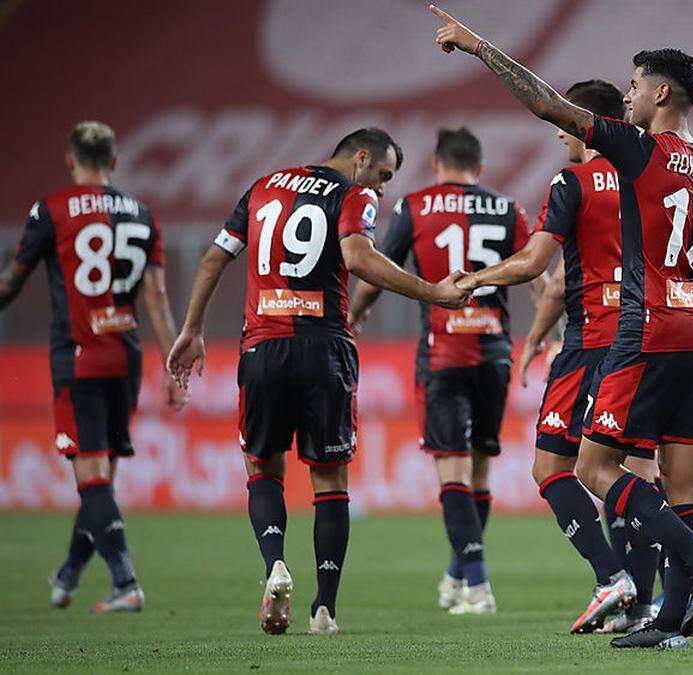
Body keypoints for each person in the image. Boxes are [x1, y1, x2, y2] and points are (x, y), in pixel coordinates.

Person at [431, 5, 693, 650]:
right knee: (683, 481)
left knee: (595, 469)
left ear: (659, 93)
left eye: (632, 84)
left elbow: (549, 106)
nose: (624, 96)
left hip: (645, 327)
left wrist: (482, 48)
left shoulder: (639, 147)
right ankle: (675, 622)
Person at [167, 128, 469, 636]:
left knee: (263, 466)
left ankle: (275, 566)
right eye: (383, 175)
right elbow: (357, 258)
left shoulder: (263, 187)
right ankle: (324, 609)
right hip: (325, 348)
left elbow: (215, 257)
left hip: (263, 345)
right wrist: (432, 292)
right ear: (362, 158)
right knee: (329, 480)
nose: (383, 187)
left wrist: (192, 328)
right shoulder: (354, 195)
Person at [452, 80, 662, 633]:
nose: (555, 129)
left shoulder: (572, 181)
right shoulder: (652, 172)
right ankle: (643, 607)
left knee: (551, 469)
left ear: (578, 120)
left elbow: (535, 265)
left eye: (561, 119)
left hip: (593, 342)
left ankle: (610, 577)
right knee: (636, 469)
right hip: (651, 338)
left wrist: (474, 279)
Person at [0, 121, 187, 613]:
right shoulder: (143, 215)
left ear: (70, 160)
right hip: (124, 356)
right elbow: (157, 298)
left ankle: (125, 581)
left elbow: (10, 283)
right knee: (101, 475)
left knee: (92, 478)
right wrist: (173, 365)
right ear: (116, 162)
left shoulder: (52, 210)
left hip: (78, 356)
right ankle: (68, 575)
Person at [348, 127, 529, 616]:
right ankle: (457, 576)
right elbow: (534, 270)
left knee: (451, 471)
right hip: (494, 350)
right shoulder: (509, 208)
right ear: (481, 168)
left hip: (444, 352)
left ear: (436, 163)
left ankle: (478, 587)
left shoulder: (415, 206)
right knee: (480, 469)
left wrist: (357, 312)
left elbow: (382, 266)